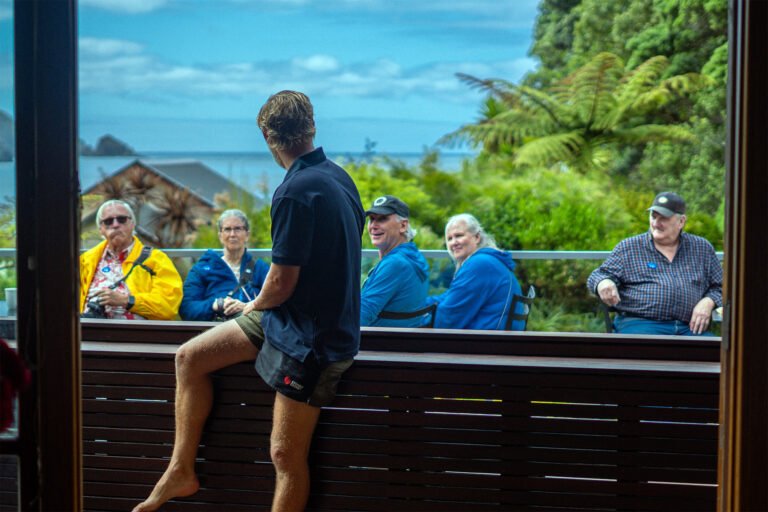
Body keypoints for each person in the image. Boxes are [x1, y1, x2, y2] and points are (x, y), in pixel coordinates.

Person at [133, 90, 365, 512]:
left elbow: (280, 282)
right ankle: (180, 470)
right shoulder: (337, 176)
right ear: (311, 125)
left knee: (285, 455)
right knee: (189, 358)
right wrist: (262, 307)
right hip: (288, 319)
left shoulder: (295, 191)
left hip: (315, 338)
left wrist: (251, 304)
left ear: (267, 136)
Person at [587, 191, 723, 335]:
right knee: (649, 353)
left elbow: (722, 286)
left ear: (681, 221)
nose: (656, 223)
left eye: (663, 218)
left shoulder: (701, 248)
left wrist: (708, 302)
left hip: (689, 328)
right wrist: (604, 282)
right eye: (653, 216)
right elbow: (598, 275)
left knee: (717, 353)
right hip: (641, 325)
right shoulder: (630, 247)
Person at [80, 199, 183, 320]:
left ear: (132, 224)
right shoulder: (85, 261)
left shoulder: (156, 259)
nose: (115, 224)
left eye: (122, 219)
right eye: (108, 221)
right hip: (90, 332)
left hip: (137, 335)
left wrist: (127, 301)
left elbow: (168, 306)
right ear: (100, 229)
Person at [427, 213, 525, 330]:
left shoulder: (479, 264)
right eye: (449, 238)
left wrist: (415, 320)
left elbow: (448, 317)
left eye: (459, 235)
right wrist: (419, 305)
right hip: (498, 338)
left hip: (488, 342)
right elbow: (451, 296)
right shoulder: (487, 260)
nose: (454, 242)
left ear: (477, 237)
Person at [179, 209, 269, 321]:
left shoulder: (260, 268)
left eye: (237, 229)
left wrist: (248, 306)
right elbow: (186, 309)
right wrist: (216, 304)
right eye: (227, 229)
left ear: (247, 235)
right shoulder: (202, 268)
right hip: (214, 329)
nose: (232, 234)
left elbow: (276, 301)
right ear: (220, 235)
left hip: (251, 329)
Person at [360, 195, 430, 327]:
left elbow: (361, 315)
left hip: (379, 344)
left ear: (403, 226)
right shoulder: (415, 256)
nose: (373, 226)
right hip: (400, 342)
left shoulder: (395, 264)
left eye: (382, 219)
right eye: (372, 219)